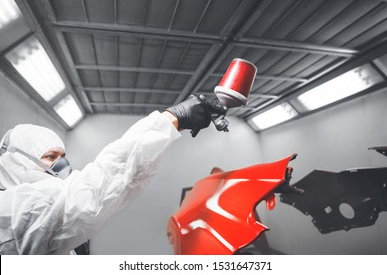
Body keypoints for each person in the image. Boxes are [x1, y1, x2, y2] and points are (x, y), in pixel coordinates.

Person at [0, 95, 225, 254]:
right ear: (17, 162)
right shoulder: (10, 212)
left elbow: (120, 186)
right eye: (50, 157)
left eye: (62, 155)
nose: (61, 164)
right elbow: (93, 192)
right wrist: (171, 120)